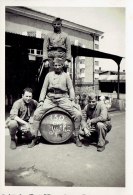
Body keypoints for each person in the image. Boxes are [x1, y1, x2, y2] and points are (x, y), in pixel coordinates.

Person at [29, 58, 82, 148]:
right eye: (55, 65)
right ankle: (34, 137)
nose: (57, 67)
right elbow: (44, 88)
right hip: (50, 99)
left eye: (59, 65)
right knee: (37, 113)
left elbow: (71, 89)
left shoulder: (66, 76)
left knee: (77, 114)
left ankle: (77, 137)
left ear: (62, 66)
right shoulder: (48, 75)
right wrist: (41, 101)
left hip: (63, 98)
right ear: (53, 66)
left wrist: (72, 100)